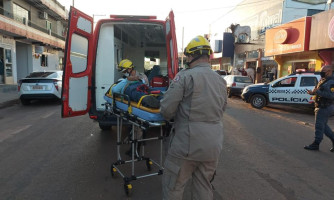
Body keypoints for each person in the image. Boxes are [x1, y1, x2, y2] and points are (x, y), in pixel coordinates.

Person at [160, 35, 227, 199]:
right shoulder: (221, 80)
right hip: (213, 145)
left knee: (174, 186)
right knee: (204, 186)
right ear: (208, 56)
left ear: (191, 56)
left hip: (187, 143)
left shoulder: (184, 76)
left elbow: (167, 110)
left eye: (188, 56)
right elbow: (222, 109)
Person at [304, 65, 334, 151]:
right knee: (323, 126)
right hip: (321, 105)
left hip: (325, 107)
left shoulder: (331, 82)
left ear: (329, 72)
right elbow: (318, 91)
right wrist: (312, 93)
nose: (321, 73)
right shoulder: (323, 80)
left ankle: (316, 144)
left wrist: (318, 92)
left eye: (323, 71)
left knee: (319, 126)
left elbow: (331, 96)